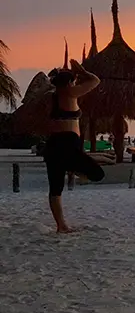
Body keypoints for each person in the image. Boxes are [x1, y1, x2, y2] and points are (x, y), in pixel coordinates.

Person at [44, 59, 105, 233]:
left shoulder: (53, 96)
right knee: (98, 174)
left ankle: (61, 225)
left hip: (54, 144)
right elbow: (95, 81)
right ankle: (75, 170)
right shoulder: (70, 93)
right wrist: (83, 71)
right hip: (67, 143)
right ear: (70, 82)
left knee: (55, 188)